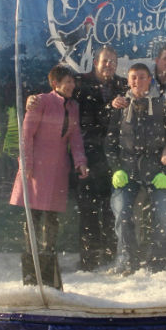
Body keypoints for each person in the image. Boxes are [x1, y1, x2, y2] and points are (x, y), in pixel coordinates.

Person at [9, 65, 88, 288]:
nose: (72, 85)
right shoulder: (41, 101)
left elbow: (75, 139)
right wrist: (27, 165)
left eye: (73, 81)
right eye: (67, 81)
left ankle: (48, 261)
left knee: (52, 218)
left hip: (57, 170)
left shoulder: (73, 107)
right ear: (55, 83)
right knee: (32, 217)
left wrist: (80, 162)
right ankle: (31, 264)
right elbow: (26, 135)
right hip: (35, 169)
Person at [105, 63, 166, 276]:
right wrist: (115, 168)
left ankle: (157, 263)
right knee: (122, 213)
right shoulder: (119, 108)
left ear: (150, 80)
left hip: (156, 172)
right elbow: (109, 141)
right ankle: (127, 261)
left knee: (163, 214)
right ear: (128, 81)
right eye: (133, 78)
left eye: (141, 77)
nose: (137, 81)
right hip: (126, 172)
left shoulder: (163, 107)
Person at [74, 46, 128, 270]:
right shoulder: (80, 83)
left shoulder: (123, 85)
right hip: (86, 153)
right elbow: (85, 116)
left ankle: (108, 252)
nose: (109, 65)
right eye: (105, 61)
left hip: (113, 155)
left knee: (109, 207)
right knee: (87, 207)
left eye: (113, 62)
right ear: (95, 61)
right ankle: (88, 257)